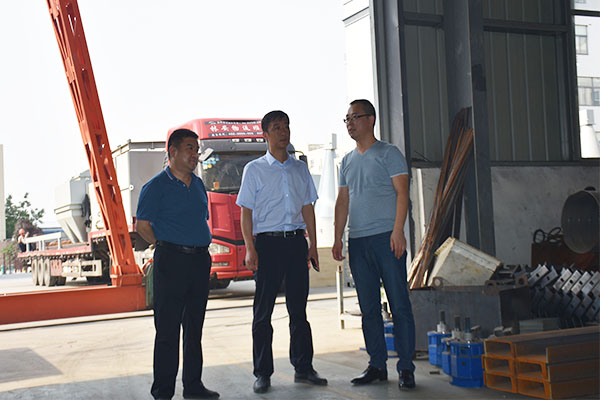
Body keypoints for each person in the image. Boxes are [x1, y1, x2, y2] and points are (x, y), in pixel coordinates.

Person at [237, 110, 327, 394]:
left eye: (286, 126)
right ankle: (262, 373)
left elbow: (307, 208)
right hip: (268, 245)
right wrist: (250, 248)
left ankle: (304, 368)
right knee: (263, 312)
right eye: (276, 127)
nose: (283, 132)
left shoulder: (300, 169)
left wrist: (313, 244)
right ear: (265, 134)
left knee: (298, 310)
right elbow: (246, 212)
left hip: (296, 243)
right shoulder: (254, 170)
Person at [332, 99, 416, 390]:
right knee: (368, 309)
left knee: (399, 304)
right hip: (358, 242)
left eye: (355, 117)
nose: (350, 123)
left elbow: (402, 193)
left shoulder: (389, 153)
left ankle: (406, 368)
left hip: (386, 238)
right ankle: (377, 365)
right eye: (347, 119)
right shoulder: (346, 161)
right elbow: (343, 201)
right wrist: (338, 237)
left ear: (371, 119)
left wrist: (398, 231)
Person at [136, 128, 219, 400]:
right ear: (172, 152)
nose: (195, 154)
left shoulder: (198, 185)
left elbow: (200, 220)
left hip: (199, 261)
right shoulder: (156, 186)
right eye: (189, 148)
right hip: (171, 262)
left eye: (197, 149)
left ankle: (193, 386)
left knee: (194, 328)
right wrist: (166, 245)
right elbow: (142, 226)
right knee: (168, 330)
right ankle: (163, 391)